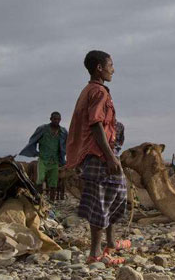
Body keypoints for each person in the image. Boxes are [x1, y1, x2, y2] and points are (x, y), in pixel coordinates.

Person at [65, 50, 129, 265]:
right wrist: (110, 157)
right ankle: (95, 254)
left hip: (98, 153)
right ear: (100, 68)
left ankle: (110, 243)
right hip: (97, 155)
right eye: (110, 65)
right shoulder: (98, 92)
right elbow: (96, 124)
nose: (113, 69)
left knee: (114, 194)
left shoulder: (90, 90)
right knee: (102, 200)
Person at [19, 112, 68, 201]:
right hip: (43, 159)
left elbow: (68, 142)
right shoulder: (43, 129)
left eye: (58, 119)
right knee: (40, 179)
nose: (56, 121)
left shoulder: (63, 132)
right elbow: (33, 140)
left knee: (53, 182)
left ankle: (52, 201)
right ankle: (39, 199)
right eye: (54, 119)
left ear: (60, 120)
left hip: (55, 160)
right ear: (50, 119)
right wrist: (36, 152)